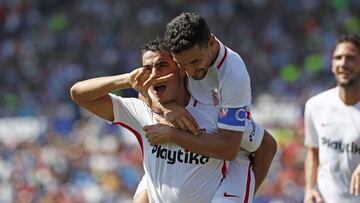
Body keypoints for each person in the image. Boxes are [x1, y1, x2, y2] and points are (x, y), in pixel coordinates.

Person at [70, 38, 253, 202]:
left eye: (162, 65)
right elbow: (79, 94)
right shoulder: (141, 112)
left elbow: (261, 145)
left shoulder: (213, 110)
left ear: (181, 70)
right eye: (147, 69)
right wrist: (127, 79)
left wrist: (174, 135)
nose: (154, 74)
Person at [140, 12, 277, 202]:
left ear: (211, 43)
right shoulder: (180, 54)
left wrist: (173, 135)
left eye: (195, 62)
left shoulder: (233, 74)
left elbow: (230, 148)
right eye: (182, 65)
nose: (189, 71)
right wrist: (168, 108)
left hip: (229, 140)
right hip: (194, 137)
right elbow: (145, 90)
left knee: (265, 145)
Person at [304, 34, 360, 203]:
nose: (343, 63)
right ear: (332, 65)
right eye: (338, 58)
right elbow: (313, 152)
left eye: (350, 58)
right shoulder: (315, 106)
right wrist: (309, 189)